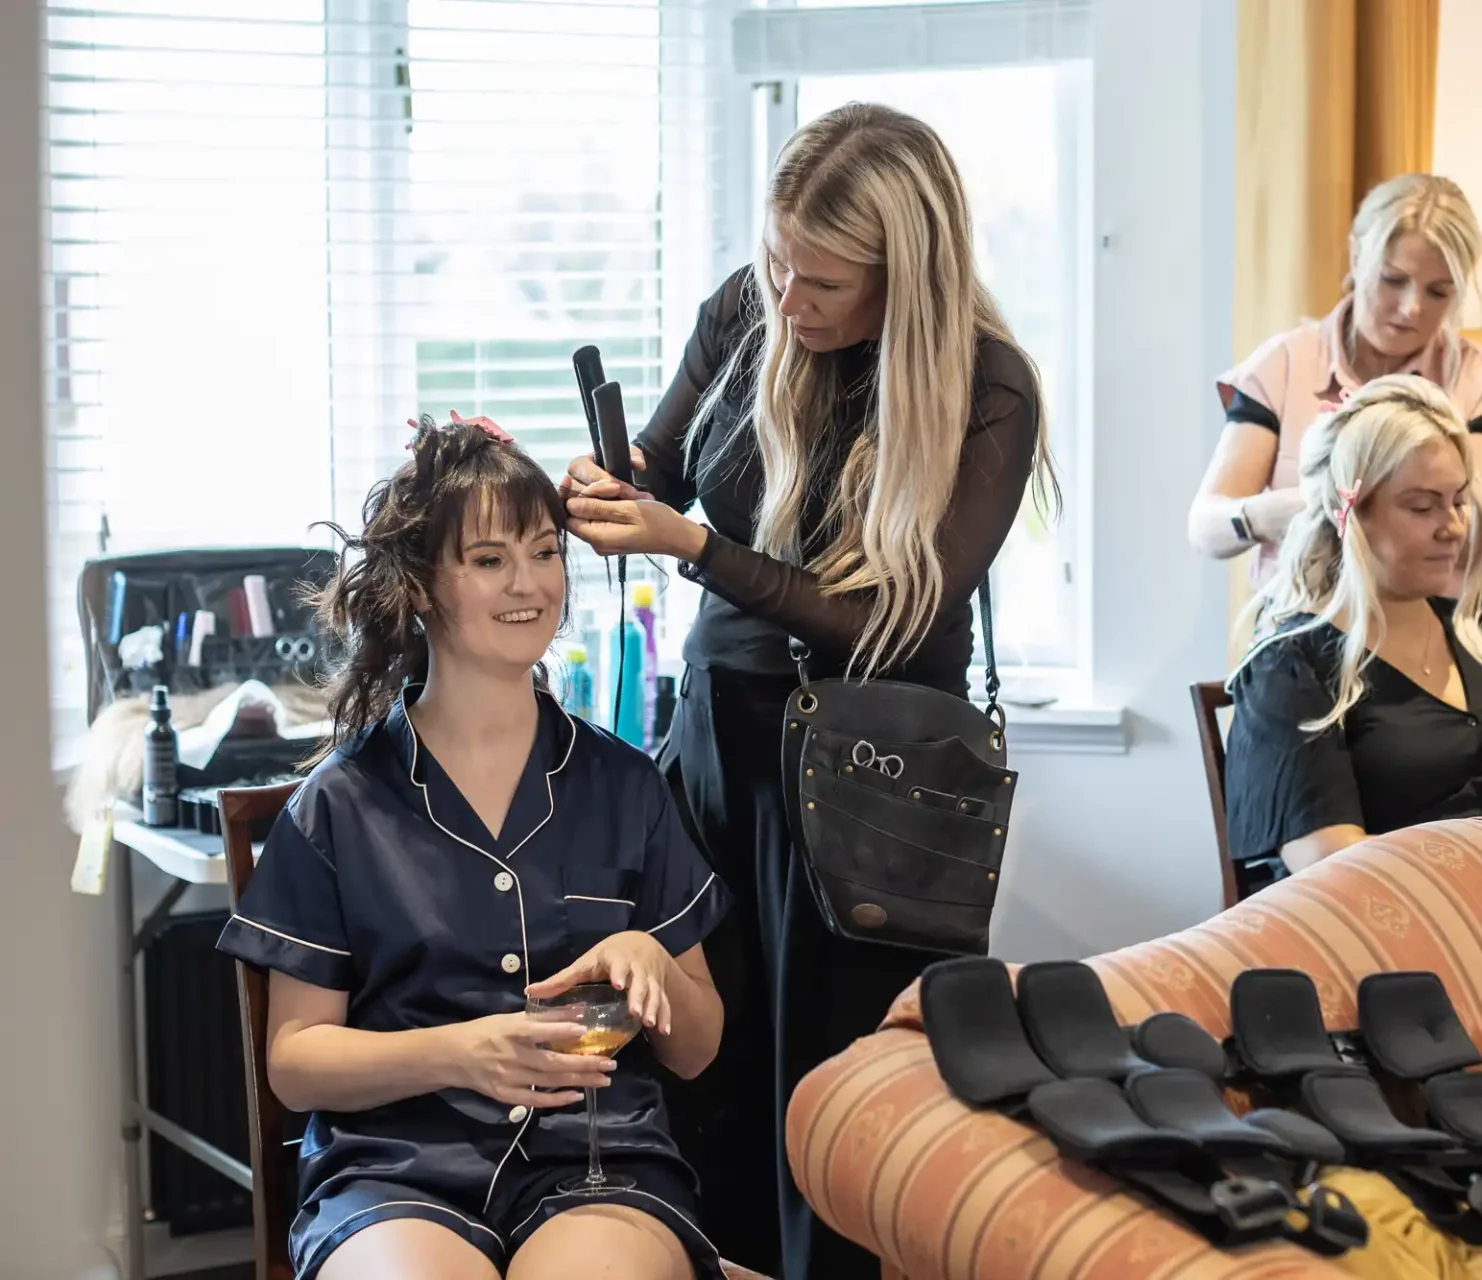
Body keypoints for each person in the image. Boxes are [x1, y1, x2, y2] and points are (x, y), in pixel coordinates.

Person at [560, 103, 1053, 1278]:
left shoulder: (987, 390)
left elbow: (895, 619)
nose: (789, 297)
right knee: (695, 1063)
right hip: (716, 749)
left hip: (868, 780)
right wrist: (613, 481)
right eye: (780, 260)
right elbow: (666, 467)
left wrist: (693, 547)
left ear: (908, 274)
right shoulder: (743, 307)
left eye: (824, 280)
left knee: (835, 1091)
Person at [216, 415, 731, 1280]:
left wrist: (654, 962)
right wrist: (461, 1052)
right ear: (421, 586)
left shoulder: (627, 784)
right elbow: (297, 1063)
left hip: (596, 1168)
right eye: (489, 560)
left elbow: (698, 1046)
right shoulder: (340, 803)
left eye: (544, 553)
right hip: (393, 1173)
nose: (528, 583)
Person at [1224, 375, 1482, 896]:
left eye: (1459, 500)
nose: (1452, 526)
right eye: (1422, 506)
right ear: (1352, 516)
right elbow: (1332, 867)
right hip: (1405, 949)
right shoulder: (1289, 670)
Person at [1189, 174, 1482, 589]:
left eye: (1439, 292)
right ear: (1355, 257)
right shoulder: (1284, 366)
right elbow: (1205, 527)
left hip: (1427, 637)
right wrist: (1268, 514)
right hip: (1298, 632)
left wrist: (1368, 513)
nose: (1411, 308)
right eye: (1393, 280)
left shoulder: (1476, 384)